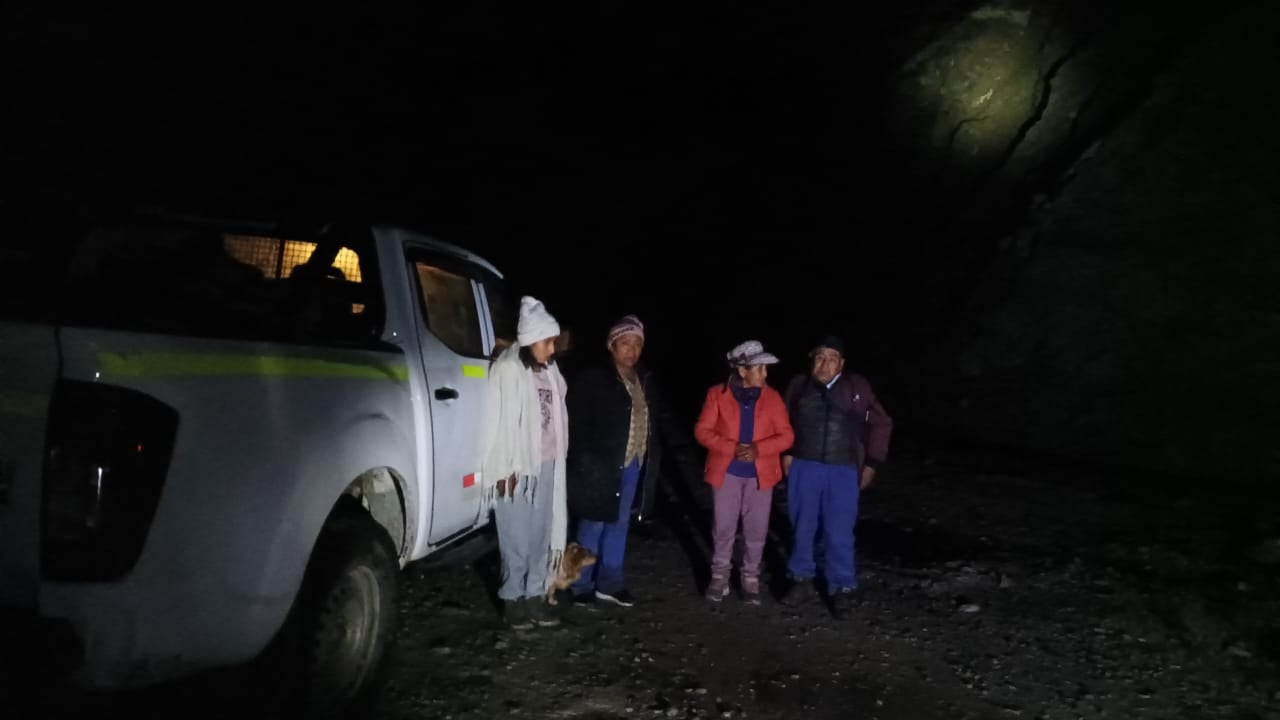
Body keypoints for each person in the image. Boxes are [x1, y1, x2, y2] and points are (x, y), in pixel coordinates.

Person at [566, 314, 679, 608]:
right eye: (625, 343)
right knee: (592, 524)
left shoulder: (644, 378)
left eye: (637, 344)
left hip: (632, 463)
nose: (632, 350)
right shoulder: (593, 378)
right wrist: (584, 462)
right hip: (599, 465)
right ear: (611, 344)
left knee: (619, 523)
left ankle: (610, 582)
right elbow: (576, 423)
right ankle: (580, 585)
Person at [780, 335, 893, 618]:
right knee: (802, 526)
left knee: (839, 530)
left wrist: (872, 462)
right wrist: (786, 452)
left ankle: (841, 586)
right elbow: (781, 421)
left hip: (843, 469)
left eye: (831, 358)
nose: (825, 363)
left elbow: (882, 423)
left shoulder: (857, 387)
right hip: (804, 466)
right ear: (812, 360)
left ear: (841, 363)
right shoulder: (798, 386)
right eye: (820, 357)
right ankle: (801, 579)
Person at [477, 296, 570, 629]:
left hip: (545, 465)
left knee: (540, 533)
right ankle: (512, 598)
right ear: (531, 340)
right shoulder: (507, 369)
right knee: (514, 534)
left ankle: (534, 595)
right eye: (548, 342)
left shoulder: (550, 371)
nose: (552, 349)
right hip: (516, 467)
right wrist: (503, 467)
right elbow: (496, 421)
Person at [694, 341, 794, 604]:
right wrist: (732, 448)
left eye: (764, 368)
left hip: (761, 475)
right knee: (724, 526)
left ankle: (750, 577)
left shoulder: (772, 398)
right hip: (727, 471)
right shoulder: (717, 395)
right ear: (742, 371)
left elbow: (787, 436)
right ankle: (720, 576)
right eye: (759, 368)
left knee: (756, 528)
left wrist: (759, 449)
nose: (765, 374)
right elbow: (702, 431)